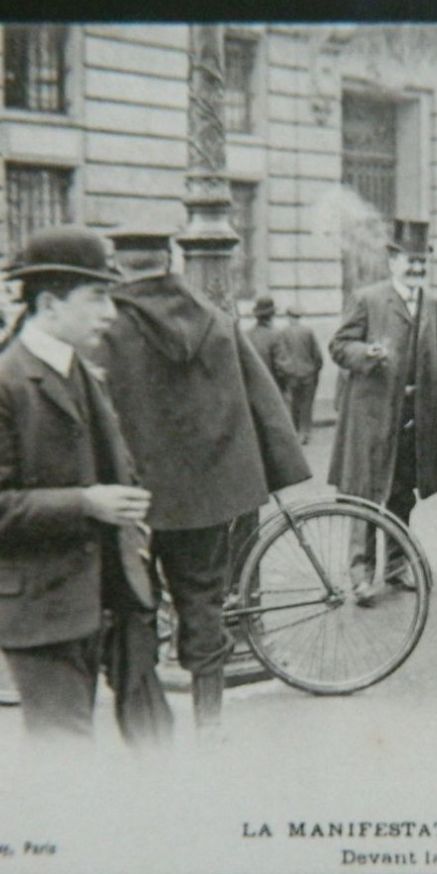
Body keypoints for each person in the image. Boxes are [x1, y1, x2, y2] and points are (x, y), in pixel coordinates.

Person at [0, 226, 173, 743]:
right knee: (64, 751)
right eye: (97, 298)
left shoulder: (83, 374)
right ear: (49, 304)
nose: (110, 313)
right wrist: (87, 504)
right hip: (40, 609)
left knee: (152, 736)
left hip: (110, 597)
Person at [96, 227, 310, 731]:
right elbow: (261, 400)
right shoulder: (214, 320)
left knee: (135, 615)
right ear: (167, 259)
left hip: (135, 503)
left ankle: (149, 734)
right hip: (205, 501)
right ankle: (209, 729)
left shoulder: (105, 329)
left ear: (118, 264)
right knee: (205, 612)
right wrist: (276, 467)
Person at [329, 219, 437, 605]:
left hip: (413, 415)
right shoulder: (368, 299)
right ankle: (360, 575)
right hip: (373, 415)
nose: (416, 270)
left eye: (422, 263)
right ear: (392, 261)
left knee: (401, 494)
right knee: (366, 494)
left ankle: (396, 567)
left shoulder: (431, 304)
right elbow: (339, 345)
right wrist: (366, 354)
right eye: (409, 262)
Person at [273, 303, 325, 444]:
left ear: (288, 317)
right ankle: (305, 433)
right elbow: (317, 355)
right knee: (306, 404)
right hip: (308, 374)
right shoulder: (308, 331)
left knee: (294, 404)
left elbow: (280, 355)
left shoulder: (282, 333)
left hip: (291, 375)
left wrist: (283, 372)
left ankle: (295, 432)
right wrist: (315, 370)